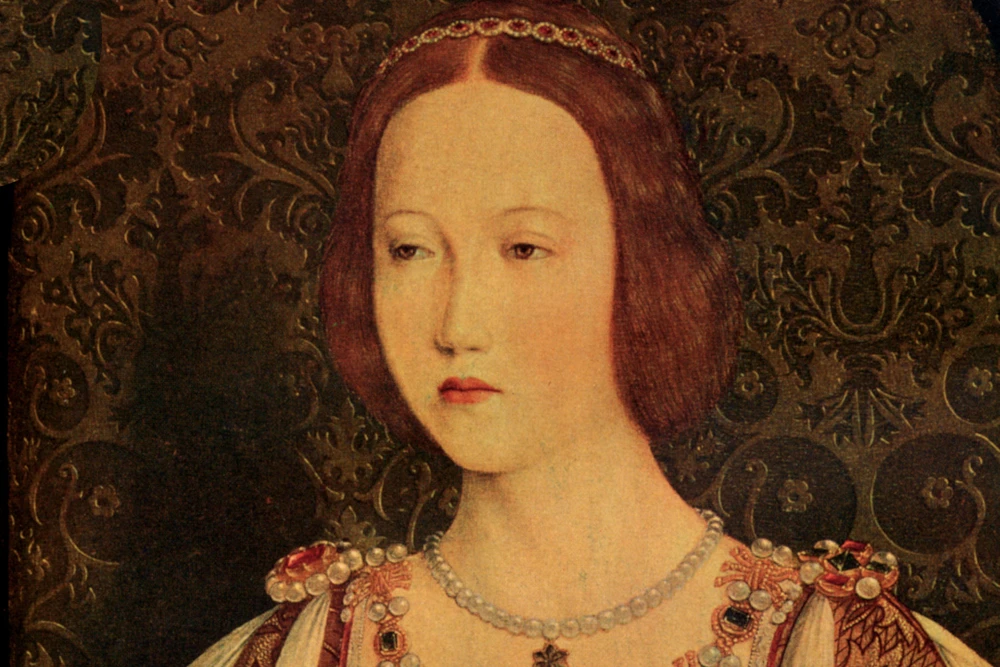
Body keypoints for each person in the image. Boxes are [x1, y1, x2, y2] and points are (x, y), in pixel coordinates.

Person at [190, 2, 991, 665]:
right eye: (410, 250)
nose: (457, 324)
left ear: (643, 263)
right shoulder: (306, 647)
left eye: (524, 248)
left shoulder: (833, 643)